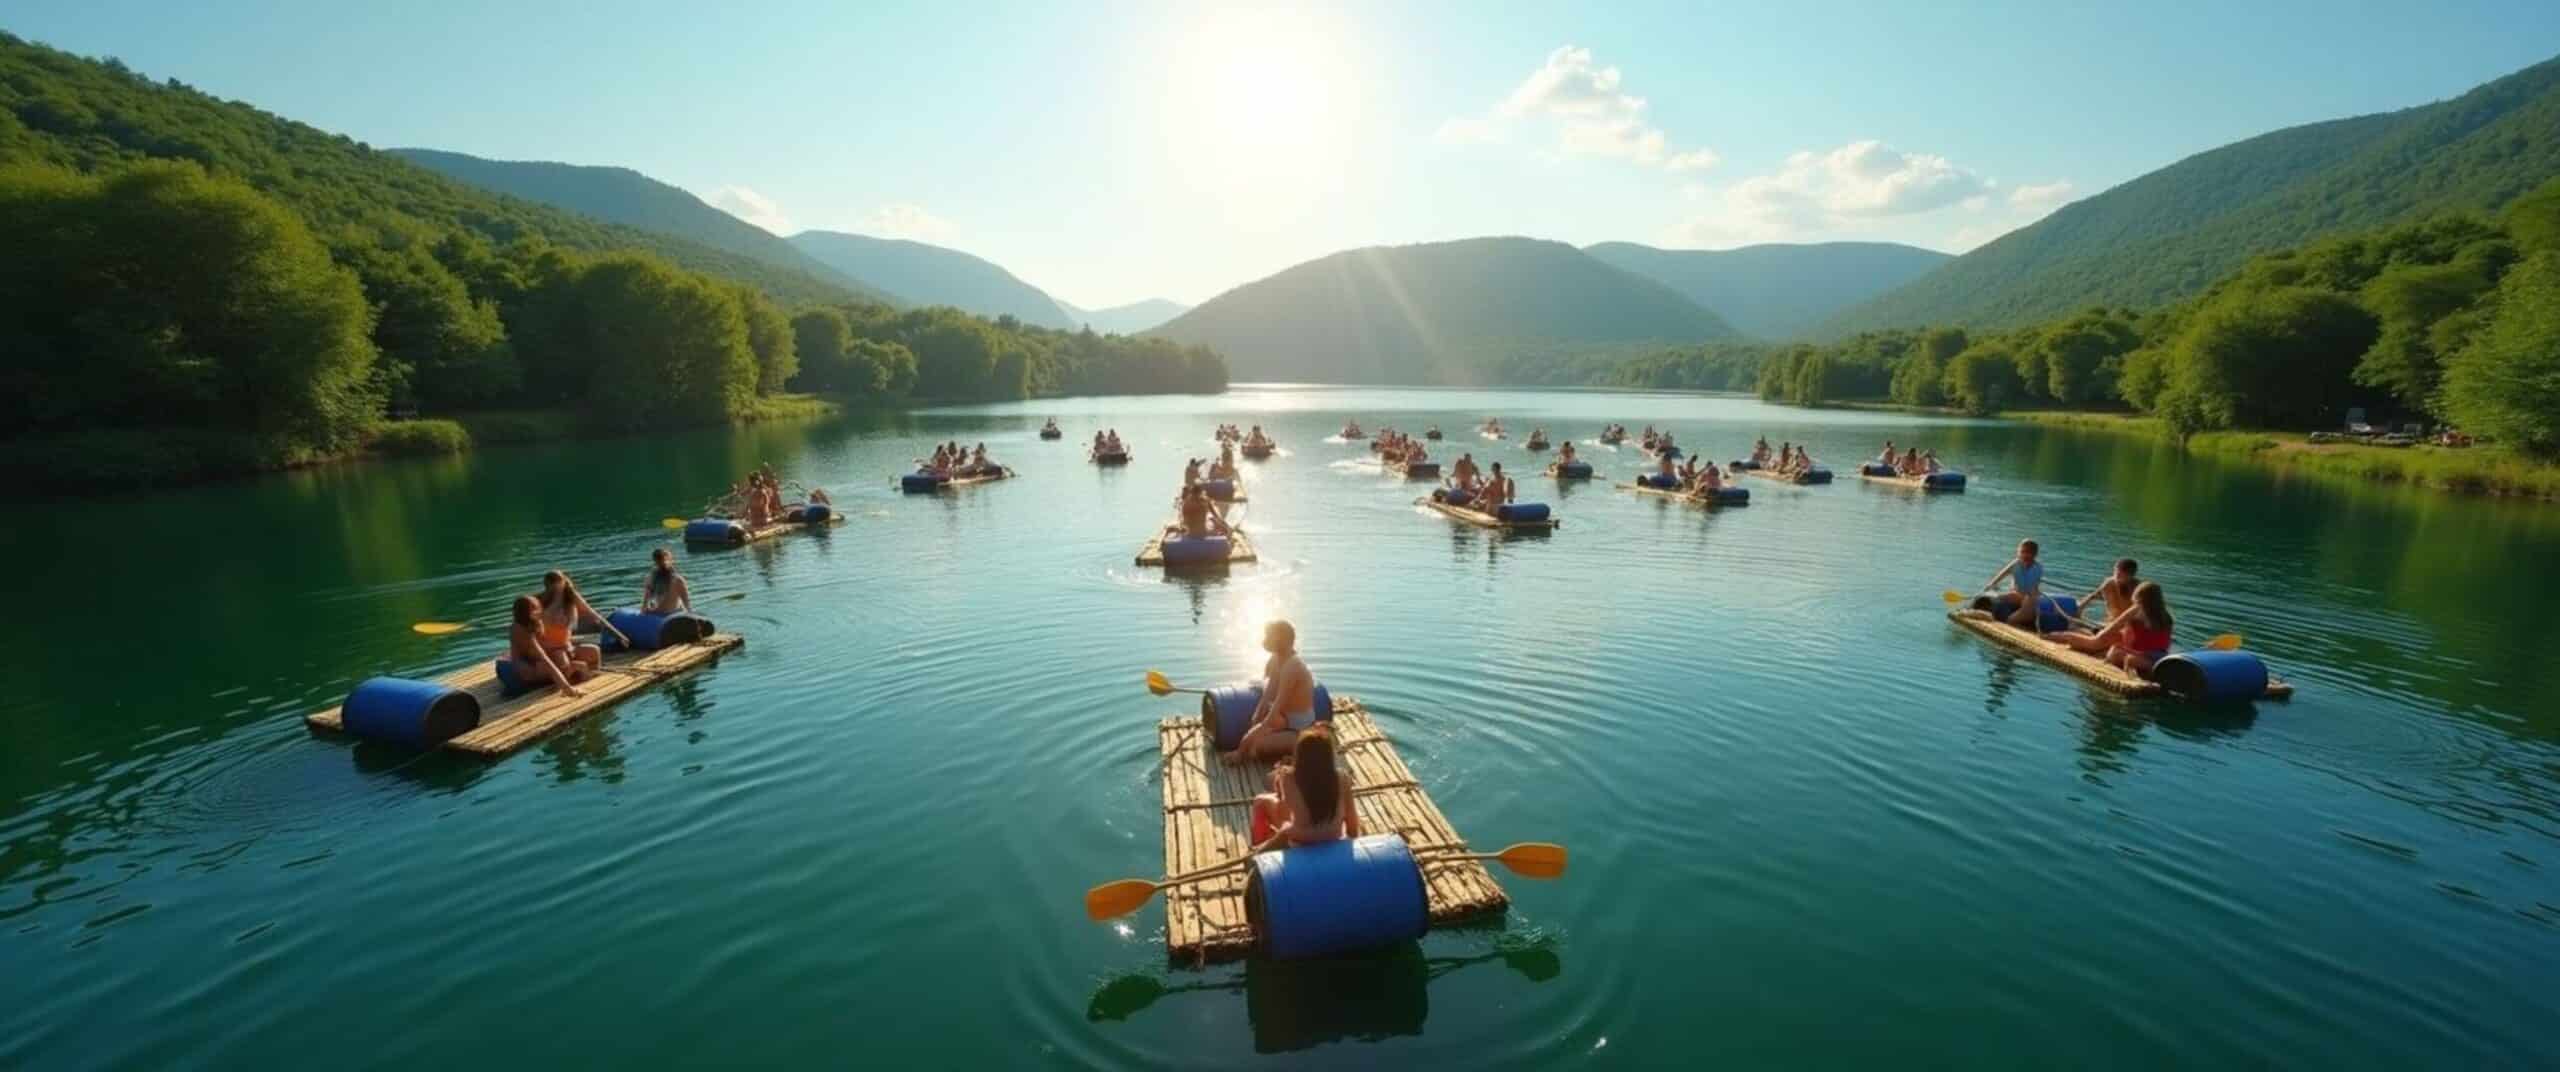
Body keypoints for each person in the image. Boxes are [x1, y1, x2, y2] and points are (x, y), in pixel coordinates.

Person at [1250, 724, 1361, 850]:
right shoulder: (1343, 777)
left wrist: (1279, 783)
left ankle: (1258, 850)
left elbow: (1283, 812)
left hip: (1301, 839)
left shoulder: (1289, 777)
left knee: (1261, 802)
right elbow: (1352, 826)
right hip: (1334, 836)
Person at [1224, 620, 1319, 766]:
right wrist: (1255, 719)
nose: (1265, 640)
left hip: (1298, 728)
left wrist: (1240, 750)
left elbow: (1275, 711)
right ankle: (1281, 743)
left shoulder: (1292, 667)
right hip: (1283, 720)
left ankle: (1298, 745)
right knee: (1254, 736)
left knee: (1254, 749)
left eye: (1269, 636)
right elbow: (1267, 696)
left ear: (1282, 639)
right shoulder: (1276, 659)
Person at [536, 570, 628, 673]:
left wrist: (618, 635)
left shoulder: (571, 597)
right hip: (550, 648)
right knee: (564, 664)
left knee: (594, 651)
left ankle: (593, 677)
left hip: (566, 645)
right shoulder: (539, 602)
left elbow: (593, 614)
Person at [509, 595, 588, 696]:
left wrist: (565, 647)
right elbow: (544, 659)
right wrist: (568, 689)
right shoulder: (520, 630)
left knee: (563, 657)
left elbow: (544, 645)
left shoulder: (534, 622)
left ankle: (565, 680)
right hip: (525, 667)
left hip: (534, 659)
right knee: (558, 664)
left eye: (538, 607)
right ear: (523, 612)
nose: (539, 611)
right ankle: (564, 686)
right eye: (533, 608)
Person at [1981, 539, 2046, 630]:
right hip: (2018, 594)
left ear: (2034, 555)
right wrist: (1991, 584)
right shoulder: (2016, 564)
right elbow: (2002, 574)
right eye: (2022, 552)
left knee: (2011, 619)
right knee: (1995, 599)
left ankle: (2017, 622)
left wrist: (2027, 600)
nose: (2024, 555)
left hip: (2030, 598)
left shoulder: (2038, 568)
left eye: (2028, 552)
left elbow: (2032, 588)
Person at [640, 547, 692, 616]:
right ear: (670, 560)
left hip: (656, 614)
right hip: (674, 614)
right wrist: (690, 614)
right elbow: (687, 602)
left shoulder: (650, 578)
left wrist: (643, 613)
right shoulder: (678, 579)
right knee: (680, 605)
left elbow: (645, 603)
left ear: (655, 562)